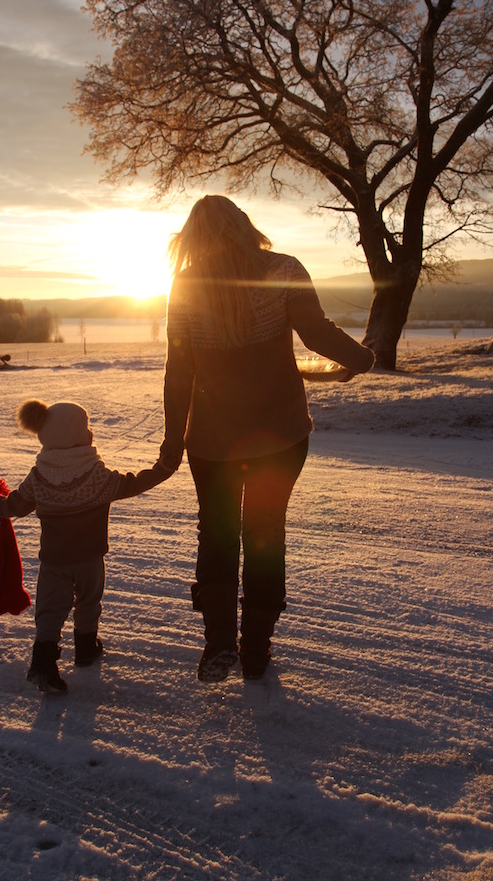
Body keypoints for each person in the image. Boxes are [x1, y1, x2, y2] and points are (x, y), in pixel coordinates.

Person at [160, 195, 375, 683]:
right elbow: (317, 333)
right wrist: (361, 358)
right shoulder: (283, 270)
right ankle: (256, 648)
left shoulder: (186, 284)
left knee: (216, 534)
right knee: (265, 532)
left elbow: (180, 370)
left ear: (193, 236)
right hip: (280, 436)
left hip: (213, 441)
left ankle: (218, 645)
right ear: (244, 224)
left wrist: (174, 439)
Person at [0, 398, 174, 693]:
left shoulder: (39, 476)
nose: (91, 433)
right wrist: (164, 468)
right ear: (77, 435)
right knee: (88, 602)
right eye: (86, 428)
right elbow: (134, 483)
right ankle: (86, 648)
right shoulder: (97, 476)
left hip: (54, 560)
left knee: (50, 609)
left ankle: (43, 663)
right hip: (90, 558)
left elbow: (16, 506)